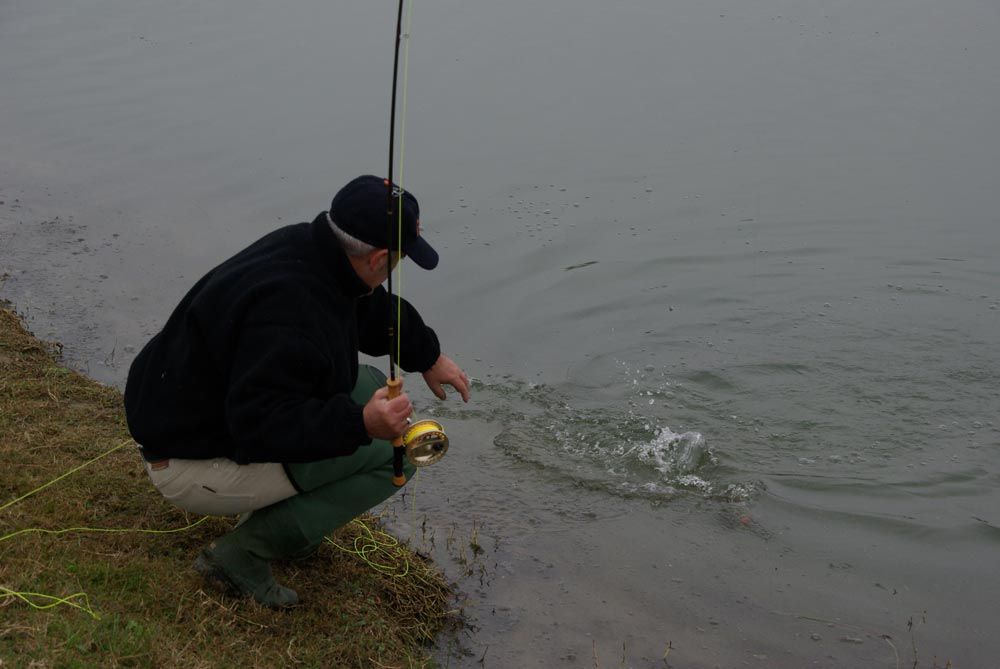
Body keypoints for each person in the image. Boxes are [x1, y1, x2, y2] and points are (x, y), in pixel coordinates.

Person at [123, 175, 470, 607]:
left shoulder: (313, 250)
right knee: (395, 453)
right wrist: (360, 424)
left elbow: (366, 308)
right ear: (380, 259)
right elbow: (260, 424)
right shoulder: (290, 312)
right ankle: (242, 554)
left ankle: (291, 520)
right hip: (187, 461)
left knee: (370, 385)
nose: (396, 269)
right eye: (400, 259)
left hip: (185, 411)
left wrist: (428, 356)